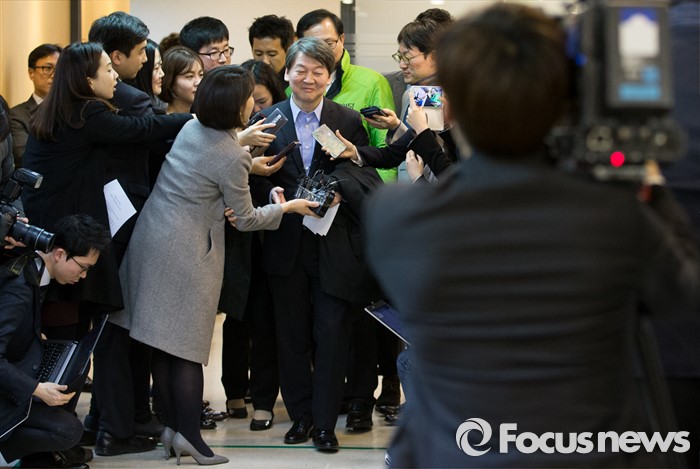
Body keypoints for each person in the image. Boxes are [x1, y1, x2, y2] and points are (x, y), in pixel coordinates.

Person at [364, 4, 700, 467]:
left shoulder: (395, 214)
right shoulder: (614, 215)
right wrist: (648, 180)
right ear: (565, 103)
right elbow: (681, 296)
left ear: (451, 106)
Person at [111, 65, 319, 465]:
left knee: (162, 343)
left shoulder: (192, 128)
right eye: (247, 97)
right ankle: (191, 438)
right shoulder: (231, 156)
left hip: (152, 240)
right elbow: (246, 218)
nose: (252, 102)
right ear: (234, 106)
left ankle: (172, 428)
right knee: (188, 350)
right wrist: (288, 207)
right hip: (188, 254)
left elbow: (211, 160)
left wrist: (246, 159)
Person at [20, 42, 192, 456]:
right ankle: (79, 434)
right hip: (70, 246)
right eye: (106, 70)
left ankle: (77, 429)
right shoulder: (86, 114)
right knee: (86, 337)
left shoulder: (59, 111)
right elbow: (142, 129)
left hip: (58, 240)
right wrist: (196, 118)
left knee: (73, 336)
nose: (115, 76)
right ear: (86, 79)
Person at [249, 37, 383, 452]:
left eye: (318, 72)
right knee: (290, 337)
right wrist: (271, 194)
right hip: (284, 240)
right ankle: (301, 416)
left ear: (330, 76)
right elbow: (248, 176)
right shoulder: (266, 120)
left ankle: (325, 424)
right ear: (287, 73)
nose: (308, 79)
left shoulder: (347, 119)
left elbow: (363, 173)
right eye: (301, 71)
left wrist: (340, 189)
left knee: (332, 333)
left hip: (334, 243)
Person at [0, 214, 111, 469]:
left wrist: (33, 335)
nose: (83, 276)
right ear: (59, 254)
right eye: (83, 267)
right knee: (68, 431)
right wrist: (36, 389)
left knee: (76, 364)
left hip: (18, 370)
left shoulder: (33, 271)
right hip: (8, 388)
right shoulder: (19, 288)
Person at [219, 59, 288, 431]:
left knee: (264, 317)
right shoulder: (225, 131)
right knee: (237, 314)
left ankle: (263, 399)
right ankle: (234, 389)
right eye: (250, 102)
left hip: (272, 228)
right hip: (235, 231)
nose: (256, 110)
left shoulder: (284, 124)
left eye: (262, 101)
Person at [9, 44, 62, 168]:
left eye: (59, 69)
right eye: (48, 68)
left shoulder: (73, 110)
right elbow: (24, 156)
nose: (54, 75)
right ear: (31, 73)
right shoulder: (17, 115)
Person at [248, 14, 295, 87]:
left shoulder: (297, 85)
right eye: (258, 54)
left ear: (289, 51)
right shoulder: (245, 82)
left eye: (272, 54)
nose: (264, 61)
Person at [160, 46, 204, 114]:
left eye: (201, 75)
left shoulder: (203, 115)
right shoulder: (161, 119)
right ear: (170, 81)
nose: (199, 82)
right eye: (190, 76)